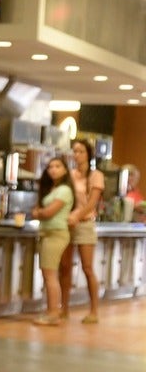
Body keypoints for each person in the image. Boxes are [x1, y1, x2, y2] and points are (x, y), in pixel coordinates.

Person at [66, 137, 105, 325]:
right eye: (74, 151)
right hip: (68, 224)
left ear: (88, 154)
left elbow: (91, 203)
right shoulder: (70, 175)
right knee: (64, 268)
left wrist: (77, 215)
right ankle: (63, 309)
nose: (77, 155)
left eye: (80, 151)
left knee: (87, 268)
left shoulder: (96, 175)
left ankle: (94, 310)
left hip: (85, 223)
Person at [32, 154, 74, 327]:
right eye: (50, 167)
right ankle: (51, 310)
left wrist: (39, 213)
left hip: (56, 233)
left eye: (57, 166)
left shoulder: (64, 190)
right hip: (46, 233)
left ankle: (53, 313)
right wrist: (40, 212)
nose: (53, 169)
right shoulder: (51, 189)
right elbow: (41, 210)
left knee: (50, 275)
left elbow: (48, 212)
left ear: (65, 170)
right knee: (47, 274)